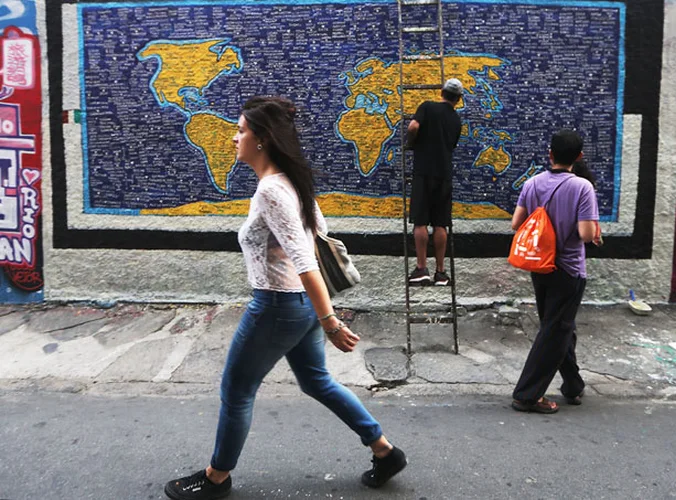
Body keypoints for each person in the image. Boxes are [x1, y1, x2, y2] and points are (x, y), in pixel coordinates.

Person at [164, 97, 407, 500]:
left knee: (237, 390)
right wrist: (320, 310)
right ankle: (384, 451)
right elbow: (318, 236)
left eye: (240, 130)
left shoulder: (273, 191)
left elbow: (306, 257)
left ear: (260, 139)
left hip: (278, 305)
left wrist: (330, 321)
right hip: (300, 305)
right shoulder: (291, 183)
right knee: (316, 380)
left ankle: (216, 478)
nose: (234, 136)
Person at [510, 129, 600, 414]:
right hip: (569, 269)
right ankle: (526, 394)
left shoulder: (532, 183)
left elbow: (516, 224)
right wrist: (593, 230)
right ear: (579, 157)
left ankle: (573, 385)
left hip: (540, 266)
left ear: (550, 154)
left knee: (560, 328)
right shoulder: (583, 187)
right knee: (555, 331)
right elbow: (585, 234)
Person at [405, 78, 463, 286]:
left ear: (442, 92)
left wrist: (410, 144)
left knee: (420, 221)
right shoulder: (456, 120)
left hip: (423, 171)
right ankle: (441, 272)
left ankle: (421, 268)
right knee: (441, 223)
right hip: (444, 173)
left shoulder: (427, 107)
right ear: (458, 99)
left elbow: (413, 127)